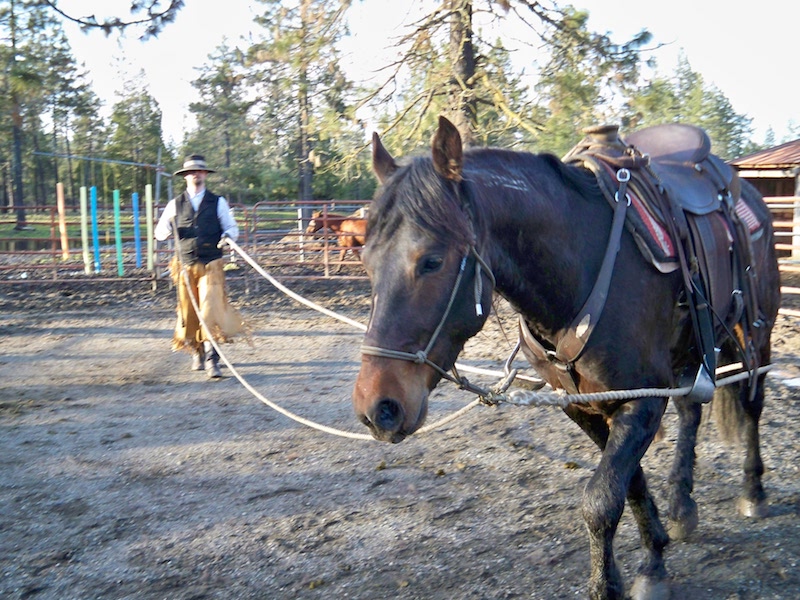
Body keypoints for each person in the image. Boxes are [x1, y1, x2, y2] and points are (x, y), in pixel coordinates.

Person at [155, 154, 244, 379]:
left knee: (210, 308)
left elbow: (232, 228)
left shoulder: (217, 202)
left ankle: (213, 357)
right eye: (192, 172)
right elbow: (160, 231)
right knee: (188, 311)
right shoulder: (175, 204)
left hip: (211, 263)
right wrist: (166, 230)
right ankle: (197, 351)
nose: (196, 174)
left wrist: (227, 236)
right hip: (185, 264)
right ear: (185, 176)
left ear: (205, 175)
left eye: (200, 171)